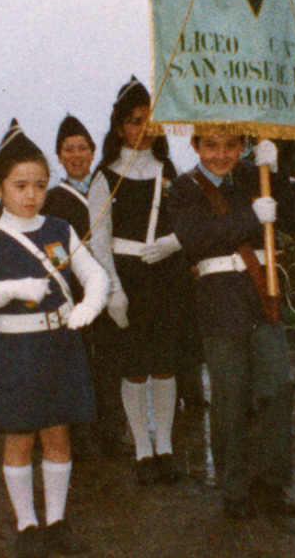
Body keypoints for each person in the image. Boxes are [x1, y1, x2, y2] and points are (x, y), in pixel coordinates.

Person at [0, 119, 108, 558]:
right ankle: (27, 525)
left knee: (57, 433)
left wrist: (89, 305)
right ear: (0, 186)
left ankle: (57, 521)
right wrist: (10, 290)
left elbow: (94, 274)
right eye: (20, 185)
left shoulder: (59, 229)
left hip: (59, 345)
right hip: (15, 349)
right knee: (20, 438)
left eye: (39, 185)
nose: (31, 194)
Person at [166, 134, 295, 519]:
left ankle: (271, 481)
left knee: (278, 387)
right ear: (194, 145)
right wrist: (251, 217)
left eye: (231, 145)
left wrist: (277, 171)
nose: (221, 155)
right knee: (231, 395)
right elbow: (197, 239)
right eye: (211, 146)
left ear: (242, 145)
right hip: (219, 298)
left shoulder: (255, 176)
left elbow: (288, 214)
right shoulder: (183, 187)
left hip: (261, 292)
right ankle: (235, 487)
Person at [88, 76, 190, 484]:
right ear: (118, 127)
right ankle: (142, 451)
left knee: (165, 367)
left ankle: (164, 446)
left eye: (149, 120)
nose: (142, 128)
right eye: (134, 121)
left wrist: (172, 242)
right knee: (133, 369)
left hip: (165, 275)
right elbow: (99, 239)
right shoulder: (104, 177)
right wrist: (112, 288)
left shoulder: (169, 171)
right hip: (126, 278)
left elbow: (187, 222)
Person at [43, 114, 126, 456]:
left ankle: (112, 431)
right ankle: (80, 436)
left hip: (108, 284)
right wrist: (76, 255)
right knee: (77, 364)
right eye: (68, 149)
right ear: (59, 156)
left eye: (82, 148)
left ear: (93, 152)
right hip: (75, 290)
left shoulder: (108, 187)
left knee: (110, 360)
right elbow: (51, 245)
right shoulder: (54, 199)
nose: (76, 155)